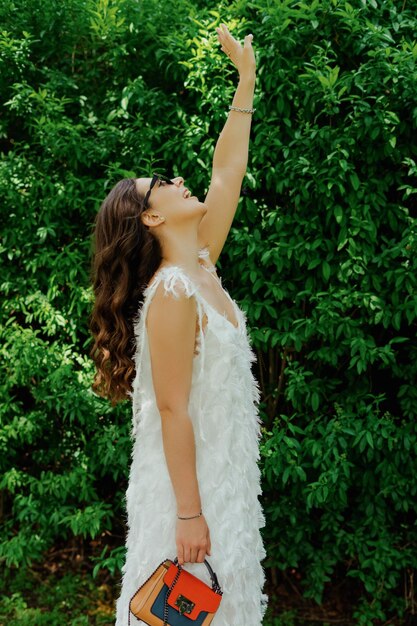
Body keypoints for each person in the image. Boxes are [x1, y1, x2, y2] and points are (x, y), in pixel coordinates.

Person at [90, 23, 268, 625]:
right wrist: (190, 513)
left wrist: (245, 81)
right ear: (149, 219)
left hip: (226, 469)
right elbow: (170, 408)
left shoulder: (198, 267)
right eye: (161, 185)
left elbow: (227, 173)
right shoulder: (169, 291)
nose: (176, 181)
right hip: (188, 489)